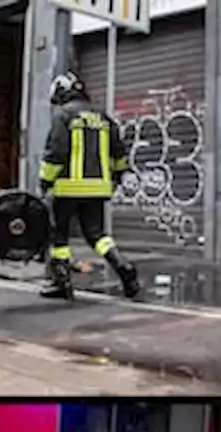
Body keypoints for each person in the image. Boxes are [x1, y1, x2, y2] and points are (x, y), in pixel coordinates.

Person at [37, 70, 141, 302]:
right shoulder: (102, 116)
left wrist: (45, 181)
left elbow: (56, 152)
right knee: (97, 235)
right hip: (98, 188)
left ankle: (61, 283)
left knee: (58, 235)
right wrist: (117, 177)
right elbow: (119, 151)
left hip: (67, 187)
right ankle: (123, 267)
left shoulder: (64, 115)